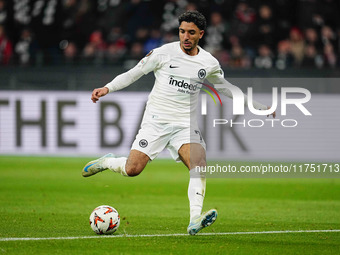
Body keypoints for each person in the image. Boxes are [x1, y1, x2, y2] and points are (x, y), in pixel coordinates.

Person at [82, 10, 275, 235]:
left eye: (191, 32)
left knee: (199, 164)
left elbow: (225, 88)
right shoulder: (164, 53)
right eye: (182, 31)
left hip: (185, 124)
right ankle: (107, 162)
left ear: (200, 34)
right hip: (156, 122)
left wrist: (258, 106)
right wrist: (108, 88)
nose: (185, 36)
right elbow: (134, 73)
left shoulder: (208, 62)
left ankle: (195, 219)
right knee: (132, 169)